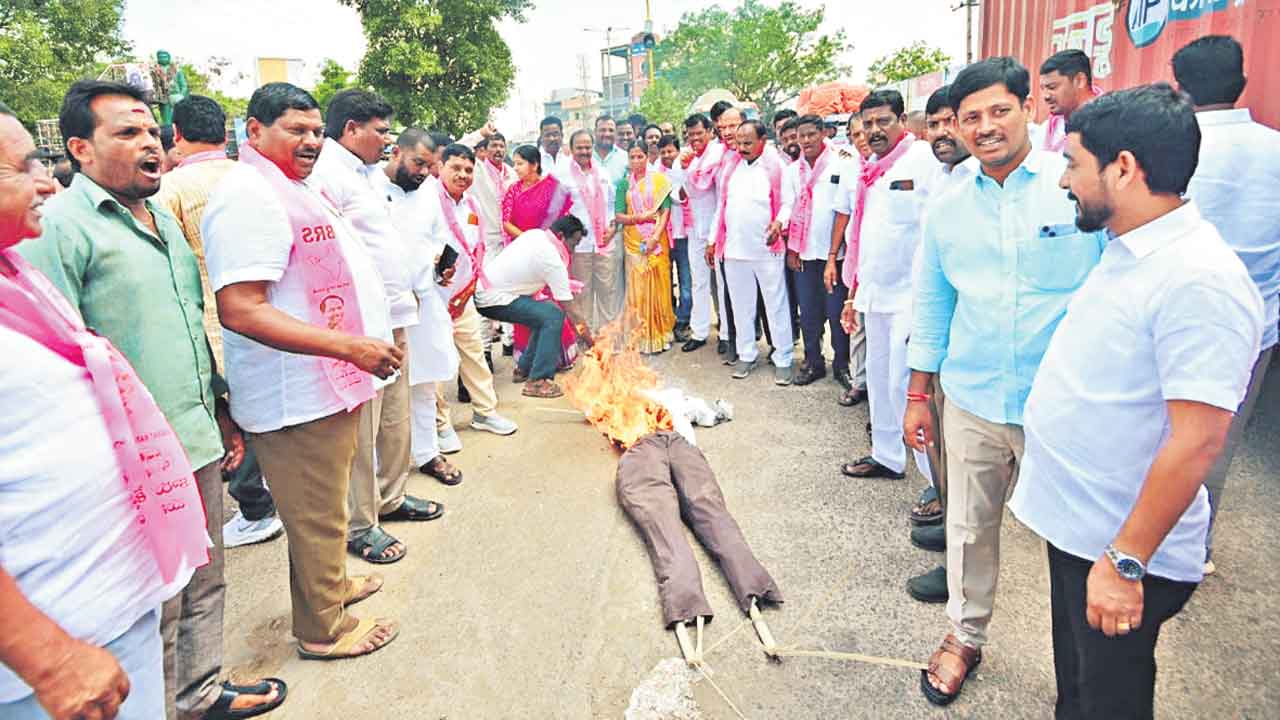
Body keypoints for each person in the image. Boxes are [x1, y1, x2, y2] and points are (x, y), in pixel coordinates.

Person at [17, 81, 286, 716]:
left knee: (205, 578)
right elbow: (51, 347)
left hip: (189, 436)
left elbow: (191, 326)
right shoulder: (60, 228)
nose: (150, 144)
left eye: (151, 132)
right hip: (126, 459)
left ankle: (201, 692)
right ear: (80, 148)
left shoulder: (162, 218)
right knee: (153, 602)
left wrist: (220, 410)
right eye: (127, 133)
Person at [1011, 83, 1264, 720]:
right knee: (1079, 687)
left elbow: (1198, 440)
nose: (1065, 181)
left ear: (1123, 168)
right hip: (1081, 528)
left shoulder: (1200, 278)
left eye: (1073, 163)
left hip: (1121, 548)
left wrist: (1127, 563)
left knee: (1112, 702)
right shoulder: (1133, 247)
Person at [900, 58, 1105, 706]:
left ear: (1028, 109)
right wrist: (916, 393)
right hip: (974, 397)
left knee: (1077, 544)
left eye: (999, 111)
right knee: (966, 528)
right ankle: (964, 635)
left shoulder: (1073, 188)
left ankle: (1086, 675)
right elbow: (933, 302)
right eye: (972, 117)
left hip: (1066, 404)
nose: (986, 127)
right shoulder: (947, 206)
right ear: (955, 126)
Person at [0, 101, 208, 720]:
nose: (47, 181)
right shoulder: (62, 231)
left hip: (105, 613)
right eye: (23, 167)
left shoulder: (15, 275)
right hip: (50, 662)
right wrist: (47, 657)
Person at [204, 81, 402, 662]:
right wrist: (349, 348)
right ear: (254, 131)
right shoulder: (248, 195)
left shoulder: (290, 186)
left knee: (328, 505)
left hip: (326, 384)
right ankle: (324, 630)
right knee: (315, 513)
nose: (312, 140)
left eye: (317, 130)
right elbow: (240, 308)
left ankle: (331, 586)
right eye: (297, 129)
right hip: (297, 392)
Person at [311, 88, 444, 566]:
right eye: (381, 131)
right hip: (362, 322)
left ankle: (391, 498)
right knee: (362, 429)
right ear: (351, 129)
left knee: (394, 416)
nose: (388, 140)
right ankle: (360, 523)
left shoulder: (366, 174)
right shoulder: (324, 173)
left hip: (396, 312)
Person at [156, 95, 286, 551]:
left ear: (176, 135)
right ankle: (276, 493)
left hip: (212, 319)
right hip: (271, 313)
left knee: (232, 414)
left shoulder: (169, 190)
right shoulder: (253, 178)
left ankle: (255, 508)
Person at [1174, 34, 1280, 574]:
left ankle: (1147, 537)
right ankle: (1196, 546)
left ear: (1181, 87)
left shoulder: (1171, 145)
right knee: (1217, 437)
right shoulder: (1276, 149)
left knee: (1159, 432)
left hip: (1172, 322)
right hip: (1253, 326)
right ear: (1240, 84)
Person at [832, 90, 937, 485]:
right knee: (878, 380)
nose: (875, 131)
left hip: (911, 297)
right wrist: (854, 293)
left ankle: (934, 484)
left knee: (904, 388)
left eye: (883, 122)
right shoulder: (870, 168)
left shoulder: (922, 161)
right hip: (874, 293)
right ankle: (888, 456)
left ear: (902, 121)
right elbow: (864, 235)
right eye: (868, 124)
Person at [904, 84, 977, 606]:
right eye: (934, 123)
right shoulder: (942, 177)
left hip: (969, 350)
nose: (943, 133)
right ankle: (950, 525)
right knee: (942, 448)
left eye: (954, 120)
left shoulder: (979, 181)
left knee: (964, 457)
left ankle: (959, 563)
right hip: (936, 336)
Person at [375, 127, 464, 487]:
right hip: (383, 305)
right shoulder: (368, 188)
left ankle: (427, 454)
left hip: (424, 297)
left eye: (430, 166)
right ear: (396, 152)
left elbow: (436, 236)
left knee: (426, 380)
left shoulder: (428, 191)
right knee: (384, 389)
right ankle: (385, 472)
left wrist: (442, 264)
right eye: (418, 163)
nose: (424, 172)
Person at [421, 143, 520, 453]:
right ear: (440, 167)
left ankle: (485, 413)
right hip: (432, 297)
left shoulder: (472, 204)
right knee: (435, 365)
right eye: (456, 168)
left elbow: (473, 248)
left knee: (475, 354)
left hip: (463, 296)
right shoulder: (426, 200)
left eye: (468, 170)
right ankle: (440, 425)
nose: (463, 175)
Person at [709, 119, 793, 384]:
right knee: (741, 306)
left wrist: (780, 223)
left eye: (747, 143)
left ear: (762, 141)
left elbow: (788, 203)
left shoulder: (775, 166)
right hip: (734, 249)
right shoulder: (730, 167)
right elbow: (721, 207)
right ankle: (747, 353)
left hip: (766, 249)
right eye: (738, 142)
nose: (741, 148)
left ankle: (784, 358)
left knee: (775, 304)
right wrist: (712, 240)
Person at [476, 216, 596, 398]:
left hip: (490, 292)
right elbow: (572, 311)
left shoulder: (537, 235)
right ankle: (538, 381)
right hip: (493, 299)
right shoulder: (551, 257)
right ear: (562, 236)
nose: (574, 250)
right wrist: (592, 344)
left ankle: (524, 369)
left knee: (547, 313)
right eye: (574, 243)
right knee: (553, 316)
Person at [780, 114, 852, 392]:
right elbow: (788, 205)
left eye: (812, 134)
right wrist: (781, 226)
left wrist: (833, 255)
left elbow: (843, 210)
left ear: (824, 133)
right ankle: (813, 361)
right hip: (803, 253)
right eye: (802, 135)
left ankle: (842, 365)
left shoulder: (842, 162)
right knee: (808, 313)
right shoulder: (792, 171)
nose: (806, 140)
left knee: (836, 313)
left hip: (835, 255)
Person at [500, 144, 577, 369]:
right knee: (525, 304)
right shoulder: (513, 190)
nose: (516, 168)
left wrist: (541, 243)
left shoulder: (553, 187)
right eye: (515, 163)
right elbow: (506, 222)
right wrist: (528, 240)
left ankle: (556, 358)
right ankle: (530, 360)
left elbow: (562, 219)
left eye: (520, 163)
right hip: (522, 256)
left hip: (547, 253)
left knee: (551, 304)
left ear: (534, 165)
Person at [615, 143, 677, 353]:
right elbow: (619, 215)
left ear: (647, 157)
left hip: (657, 241)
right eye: (632, 157)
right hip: (633, 243)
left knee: (660, 287)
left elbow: (665, 211)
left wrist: (655, 238)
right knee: (638, 291)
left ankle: (661, 334)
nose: (636, 161)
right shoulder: (624, 184)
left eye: (640, 156)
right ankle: (640, 337)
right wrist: (639, 218)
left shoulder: (659, 181)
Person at [562, 129, 623, 330]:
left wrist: (613, 228)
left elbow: (614, 204)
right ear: (571, 149)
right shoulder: (563, 176)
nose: (584, 151)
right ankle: (585, 342)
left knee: (608, 293)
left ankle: (608, 341)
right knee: (582, 296)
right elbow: (557, 212)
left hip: (604, 244)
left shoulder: (603, 173)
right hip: (579, 248)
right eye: (579, 147)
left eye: (588, 147)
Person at [677, 112, 721, 353]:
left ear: (710, 132)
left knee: (723, 285)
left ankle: (726, 333)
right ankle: (700, 331)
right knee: (699, 283)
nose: (695, 138)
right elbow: (679, 192)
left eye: (699, 133)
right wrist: (685, 169)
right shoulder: (687, 158)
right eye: (690, 134)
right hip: (694, 228)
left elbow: (709, 188)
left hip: (718, 228)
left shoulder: (718, 155)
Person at [656, 134, 694, 342]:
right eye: (663, 152)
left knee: (687, 283)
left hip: (686, 235)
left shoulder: (687, 170)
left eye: (670, 151)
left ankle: (683, 320)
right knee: (666, 281)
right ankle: (669, 320)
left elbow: (683, 197)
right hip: (664, 236)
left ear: (678, 151)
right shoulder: (656, 175)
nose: (667, 155)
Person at [1036, 49, 1098, 153]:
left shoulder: (1108, 123)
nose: (1045, 96)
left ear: (1079, 81)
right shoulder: (1049, 128)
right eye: (1043, 89)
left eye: (1052, 87)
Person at [593, 115, 629, 182]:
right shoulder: (586, 156)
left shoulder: (625, 158)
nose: (607, 134)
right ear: (595, 131)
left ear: (615, 133)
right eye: (602, 130)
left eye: (611, 130)